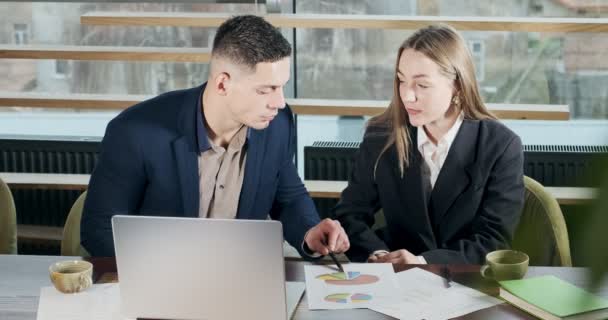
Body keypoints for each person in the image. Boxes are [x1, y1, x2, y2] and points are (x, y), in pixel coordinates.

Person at [81, 15, 349, 258]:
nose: (279, 102)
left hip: (238, 281)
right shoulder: (135, 132)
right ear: (223, 83)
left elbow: (288, 198)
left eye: (282, 87)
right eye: (266, 89)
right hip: (160, 282)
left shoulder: (277, 124)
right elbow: (99, 230)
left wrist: (309, 233)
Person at [331, 24, 525, 265]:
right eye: (402, 80)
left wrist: (423, 262)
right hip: (394, 284)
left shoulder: (500, 146)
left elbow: (493, 241)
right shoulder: (380, 137)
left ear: (457, 86)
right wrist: (378, 255)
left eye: (422, 85)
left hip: (465, 284)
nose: (407, 96)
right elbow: (350, 214)